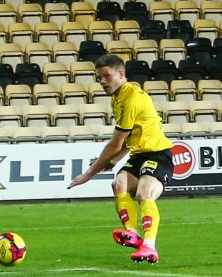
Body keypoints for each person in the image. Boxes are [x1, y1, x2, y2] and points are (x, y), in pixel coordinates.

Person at [68, 54, 174, 263]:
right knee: (119, 184)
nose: (102, 81)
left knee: (143, 193)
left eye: (107, 76)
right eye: (99, 77)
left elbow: (115, 144)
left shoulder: (131, 98)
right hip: (139, 154)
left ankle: (150, 246)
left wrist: (88, 174)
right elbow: (127, 139)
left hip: (158, 154)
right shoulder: (118, 98)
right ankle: (133, 234)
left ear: (121, 74)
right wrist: (114, 161)